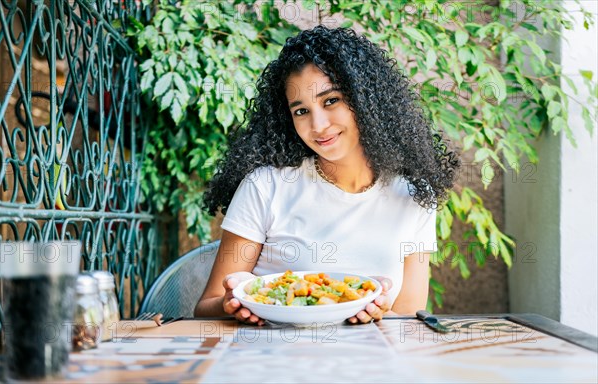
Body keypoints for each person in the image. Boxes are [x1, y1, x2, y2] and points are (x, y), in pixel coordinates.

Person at [194, 26, 459, 325]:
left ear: (366, 100)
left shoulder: (413, 195)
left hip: (370, 364)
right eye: (301, 111)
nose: (318, 125)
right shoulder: (265, 186)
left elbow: (410, 318)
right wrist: (231, 302)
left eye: (330, 100)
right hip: (269, 360)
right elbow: (205, 307)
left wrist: (381, 312)